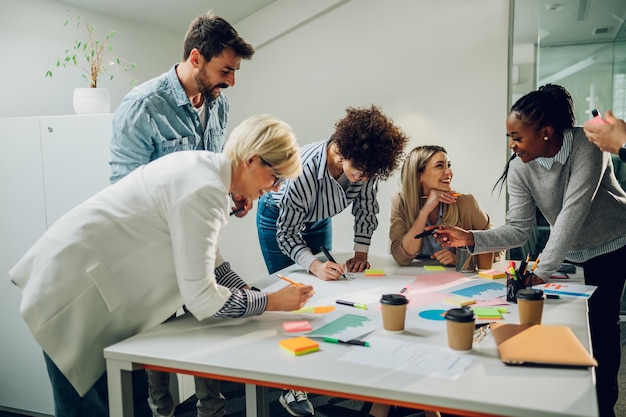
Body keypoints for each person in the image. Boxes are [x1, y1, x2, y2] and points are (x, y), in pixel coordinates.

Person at [10, 115, 310, 417]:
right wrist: (269, 301)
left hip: (96, 290)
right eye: (276, 178)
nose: (274, 189)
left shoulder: (205, 171)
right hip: (73, 295)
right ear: (252, 160)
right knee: (90, 408)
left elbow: (208, 255)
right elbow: (202, 299)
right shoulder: (204, 190)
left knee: (131, 401)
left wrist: (245, 289)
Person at [432, 84, 626, 417]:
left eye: (517, 137)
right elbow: (519, 229)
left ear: (547, 133)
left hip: (612, 247)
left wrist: (538, 272)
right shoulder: (521, 165)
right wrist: (471, 239)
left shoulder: (588, 146)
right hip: (569, 254)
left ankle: (603, 406)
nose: (512, 145)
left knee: (601, 327)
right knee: (563, 328)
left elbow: (571, 214)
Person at [109, 11, 255, 417]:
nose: (231, 81)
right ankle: (164, 412)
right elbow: (124, 194)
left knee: (210, 326)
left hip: (199, 238)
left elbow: (213, 174)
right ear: (195, 59)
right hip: (154, 249)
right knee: (163, 344)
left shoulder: (218, 107)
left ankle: (213, 410)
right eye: (225, 70)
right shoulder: (142, 107)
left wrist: (234, 197)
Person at [256, 105, 408, 417]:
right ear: (340, 150)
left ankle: (320, 368)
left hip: (317, 218)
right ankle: (290, 386)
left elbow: (366, 209)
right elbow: (287, 234)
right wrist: (313, 264)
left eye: (370, 172)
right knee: (292, 293)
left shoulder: (366, 167)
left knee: (325, 289)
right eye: (360, 169)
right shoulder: (302, 172)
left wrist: (361, 254)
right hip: (278, 222)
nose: (364, 177)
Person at [389, 145, 500, 267]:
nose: (449, 172)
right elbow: (401, 257)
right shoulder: (400, 202)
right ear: (419, 175)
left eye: (449, 165)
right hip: (414, 280)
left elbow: (496, 247)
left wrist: (460, 260)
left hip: (457, 280)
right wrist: (424, 212)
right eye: (439, 166)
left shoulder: (466, 203)